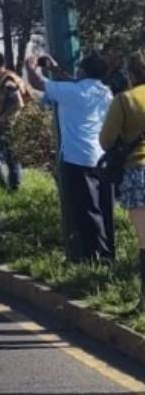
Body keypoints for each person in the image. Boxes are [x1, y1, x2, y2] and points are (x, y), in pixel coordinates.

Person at [26, 54, 115, 262]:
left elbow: (38, 83)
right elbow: (78, 86)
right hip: (102, 157)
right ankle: (108, 253)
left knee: (86, 210)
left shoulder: (71, 92)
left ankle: (95, 256)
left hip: (77, 158)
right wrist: (57, 71)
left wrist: (30, 66)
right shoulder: (105, 92)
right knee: (103, 208)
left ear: (82, 71)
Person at [101, 48, 145, 305]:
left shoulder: (124, 100)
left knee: (144, 240)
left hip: (138, 172)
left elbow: (106, 140)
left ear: (130, 74)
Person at [0, 52, 28, 192]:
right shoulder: (1, 80)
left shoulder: (8, 82)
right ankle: (3, 186)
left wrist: (6, 117)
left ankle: (13, 188)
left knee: (10, 157)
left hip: (9, 125)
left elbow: (19, 104)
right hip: (1, 124)